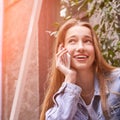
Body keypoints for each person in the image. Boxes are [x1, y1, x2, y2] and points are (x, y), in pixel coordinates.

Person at [40, 18, 120, 120]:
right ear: (62, 49)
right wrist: (69, 78)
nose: (80, 48)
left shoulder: (117, 81)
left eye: (87, 41)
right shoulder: (61, 98)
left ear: (95, 48)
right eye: (72, 41)